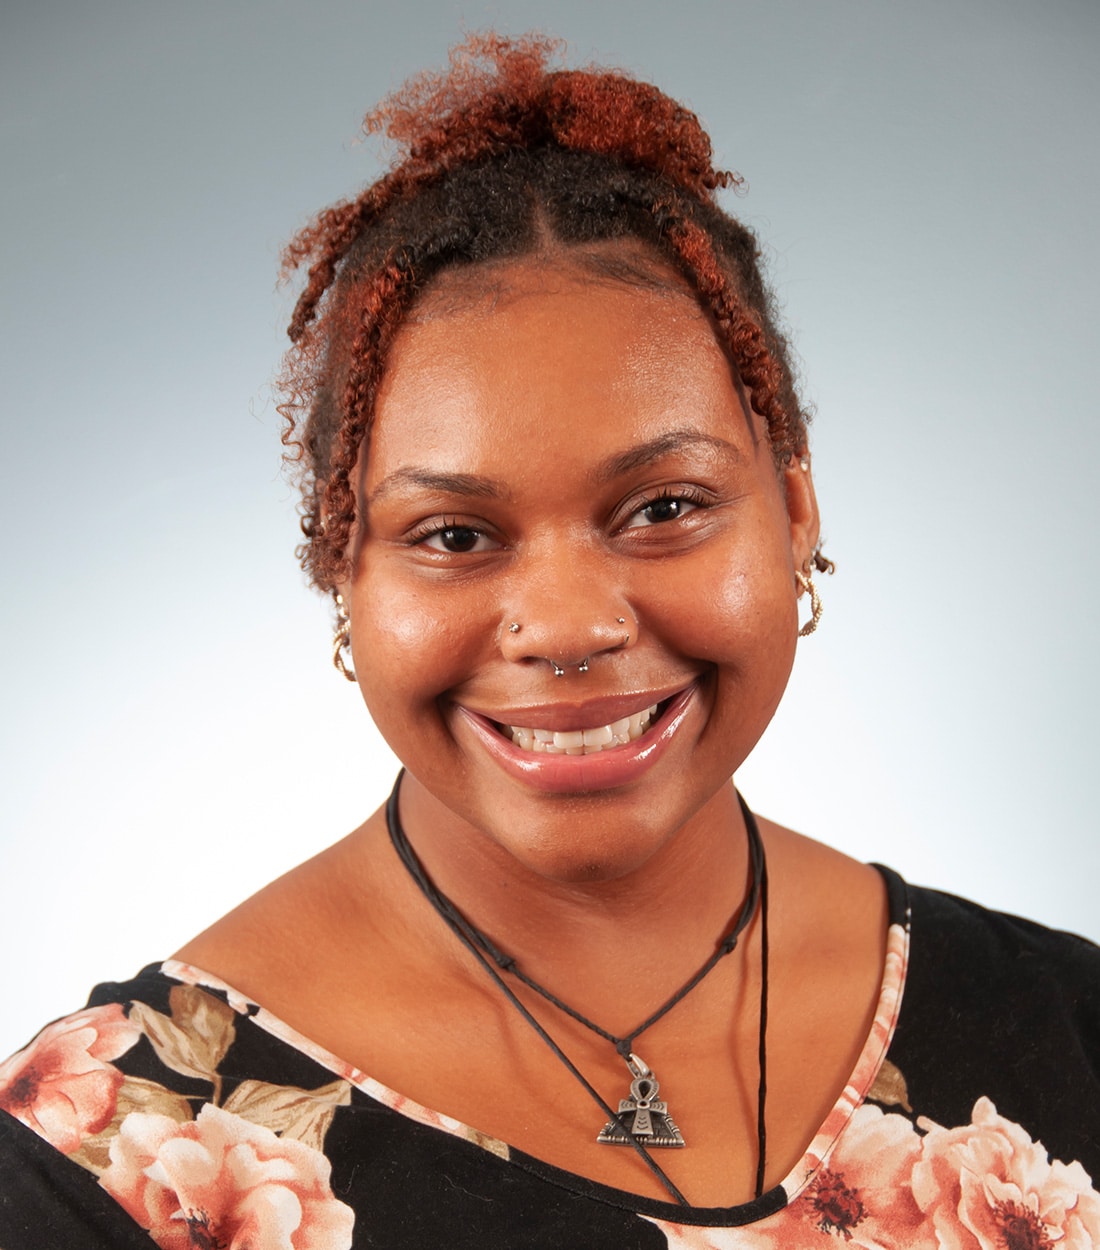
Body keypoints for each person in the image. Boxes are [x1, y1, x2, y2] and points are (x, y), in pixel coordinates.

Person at [1, 34, 1098, 1250]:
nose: (569, 625)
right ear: (341, 571)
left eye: (664, 507)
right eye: (454, 532)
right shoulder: (108, 1160)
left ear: (795, 512)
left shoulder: (1066, 1024)